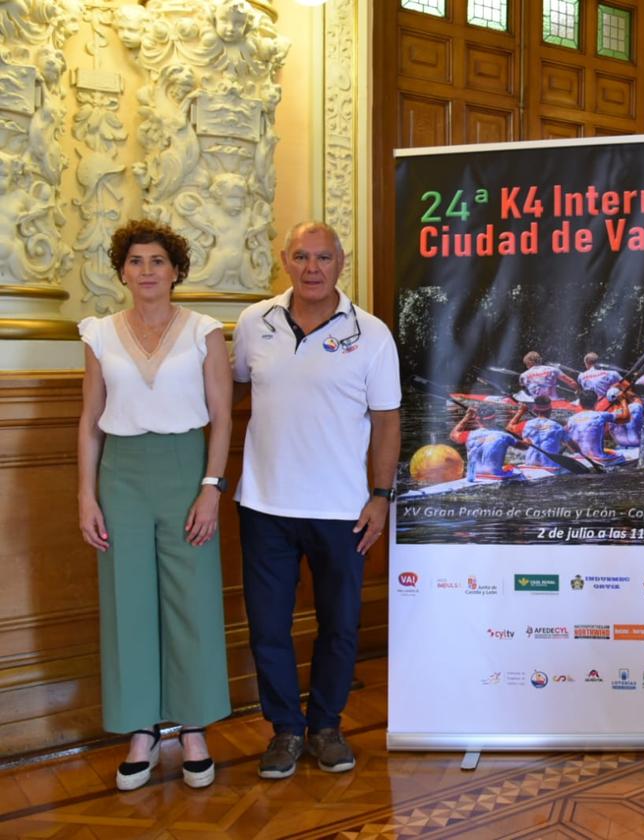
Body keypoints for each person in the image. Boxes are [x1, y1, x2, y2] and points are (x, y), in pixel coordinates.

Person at [233, 221, 401, 780]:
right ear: (285, 259)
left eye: (323, 257)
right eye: (301, 256)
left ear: (341, 263)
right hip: (264, 507)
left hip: (343, 511)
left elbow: (386, 421)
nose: (312, 267)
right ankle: (284, 730)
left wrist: (381, 496)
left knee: (341, 626)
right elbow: (230, 385)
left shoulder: (372, 334)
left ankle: (326, 726)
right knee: (269, 628)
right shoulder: (253, 324)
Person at [77, 219, 232, 791]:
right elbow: (90, 421)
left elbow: (221, 416)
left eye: (158, 261)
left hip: (186, 470)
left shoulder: (204, 331)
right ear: (122, 271)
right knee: (128, 602)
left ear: (176, 271)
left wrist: (211, 487)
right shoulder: (99, 333)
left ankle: (193, 728)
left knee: (190, 597)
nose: (147, 271)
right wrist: (85, 494)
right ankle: (140, 729)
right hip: (121, 474)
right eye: (136, 261)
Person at [449, 406, 525, 480]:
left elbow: (453, 435)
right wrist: (527, 442)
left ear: (477, 419)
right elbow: (524, 447)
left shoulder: (469, 435)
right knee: (514, 468)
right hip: (494, 477)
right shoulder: (504, 436)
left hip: (473, 476)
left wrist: (467, 416)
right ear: (494, 418)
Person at [506, 395, 577, 473]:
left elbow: (509, 428)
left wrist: (521, 411)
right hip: (551, 468)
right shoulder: (557, 427)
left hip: (529, 466)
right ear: (550, 409)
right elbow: (574, 448)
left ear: (535, 410)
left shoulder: (525, 425)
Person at [565, 389, 629, 461]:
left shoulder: (571, 419)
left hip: (577, 457)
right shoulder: (601, 415)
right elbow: (626, 418)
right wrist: (623, 400)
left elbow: (563, 436)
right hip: (597, 458)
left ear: (580, 403)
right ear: (596, 402)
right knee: (622, 457)